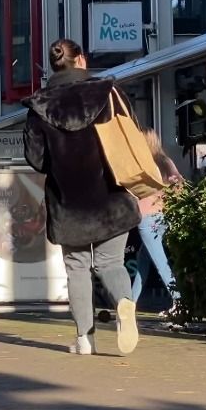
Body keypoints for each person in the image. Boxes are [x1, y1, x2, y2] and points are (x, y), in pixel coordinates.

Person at [23, 38, 141, 356]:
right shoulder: (107, 92)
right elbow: (130, 133)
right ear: (81, 60)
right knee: (111, 263)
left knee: (76, 267)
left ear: (53, 66)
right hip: (110, 197)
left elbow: (36, 159)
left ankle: (84, 340)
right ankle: (124, 303)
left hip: (68, 201)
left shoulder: (39, 106)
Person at [132, 129, 183, 311]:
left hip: (147, 219)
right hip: (165, 215)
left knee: (160, 262)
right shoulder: (165, 161)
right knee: (143, 262)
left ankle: (179, 303)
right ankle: (130, 304)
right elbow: (179, 184)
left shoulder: (142, 164)